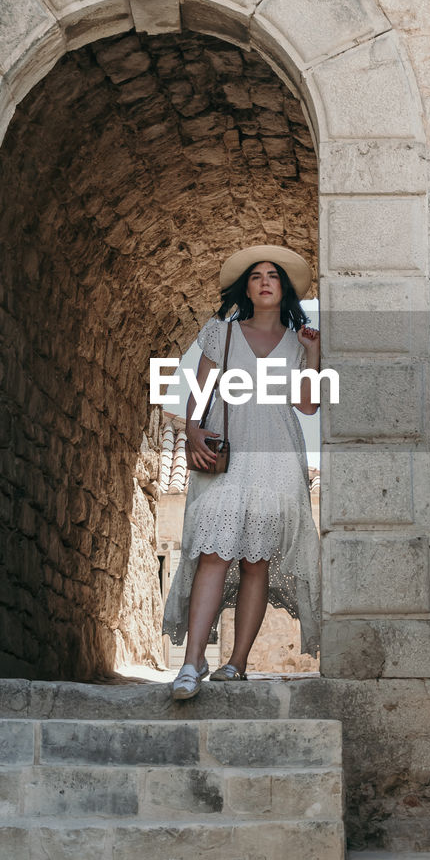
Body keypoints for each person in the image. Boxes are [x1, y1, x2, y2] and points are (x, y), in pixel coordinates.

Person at [162, 244, 322, 700]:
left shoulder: (298, 341)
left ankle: (236, 663)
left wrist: (312, 354)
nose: (266, 281)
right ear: (246, 288)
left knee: (256, 562)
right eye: (257, 276)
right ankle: (192, 663)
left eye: (274, 275)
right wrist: (193, 428)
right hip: (228, 453)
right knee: (214, 551)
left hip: (278, 455)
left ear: (284, 288)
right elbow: (202, 387)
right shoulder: (222, 332)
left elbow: (307, 405)